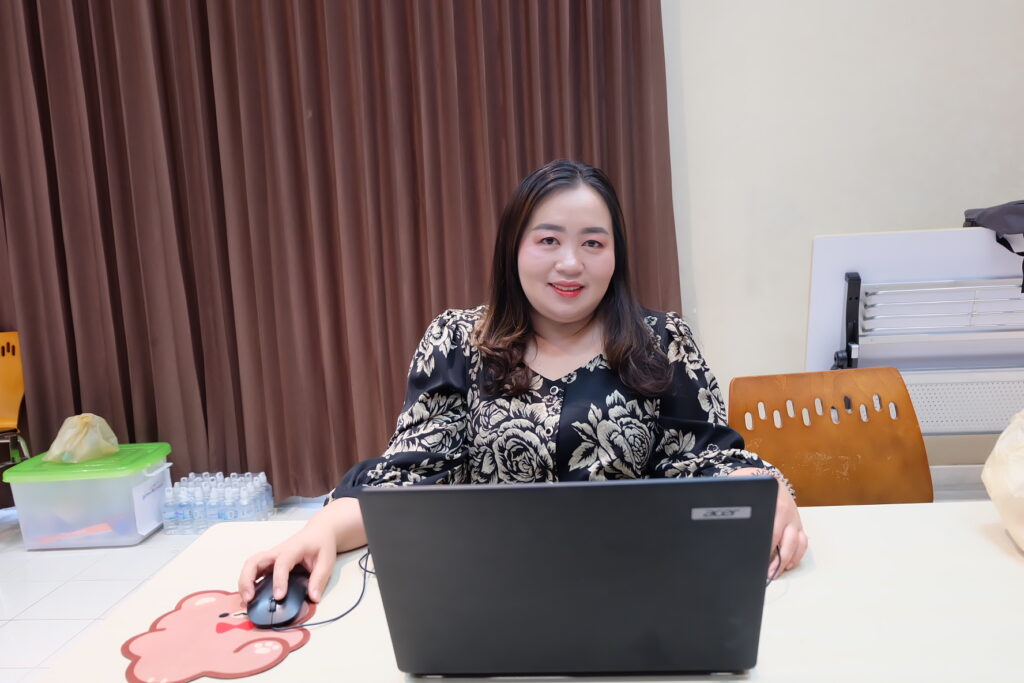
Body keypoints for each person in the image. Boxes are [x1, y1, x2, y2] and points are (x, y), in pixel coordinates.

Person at [239, 159, 807, 606]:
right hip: (488, 594)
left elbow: (706, 460)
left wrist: (764, 490)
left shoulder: (662, 340)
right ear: (514, 247)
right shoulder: (458, 340)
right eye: (548, 240)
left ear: (616, 255)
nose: (570, 264)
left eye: (593, 242)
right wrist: (321, 530)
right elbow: (411, 476)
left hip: (637, 590)